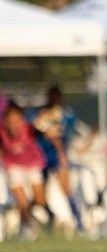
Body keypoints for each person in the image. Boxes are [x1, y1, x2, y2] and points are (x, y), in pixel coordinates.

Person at [28, 86, 84, 231]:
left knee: (66, 188)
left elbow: (68, 133)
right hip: (41, 155)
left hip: (58, 155)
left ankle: (79, 223)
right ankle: (46, 217)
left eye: (56, 96)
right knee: (39, 193)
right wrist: (41, 123)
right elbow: (30, 126)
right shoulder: (39, 112)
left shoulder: (67, 113)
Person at [1, 102, 49, 239]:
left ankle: (30, 223)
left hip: (33, 166)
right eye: (10, 121)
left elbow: (41, 127)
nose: (13, 124)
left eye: (16, 120)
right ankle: (26, 228)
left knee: (40, 204)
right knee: (23, 203)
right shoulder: (2, 133)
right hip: (13, 167)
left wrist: (44, 119)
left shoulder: (29, 129)